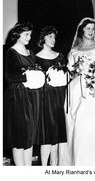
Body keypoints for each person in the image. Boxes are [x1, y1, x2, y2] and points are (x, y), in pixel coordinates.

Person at [60, 17, 95, 165]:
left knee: (89, 121)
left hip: (93, 89)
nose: (91, 31)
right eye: (88, 28)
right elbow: (70, 70)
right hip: (76, 89)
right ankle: (76, 159)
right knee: (75, 122)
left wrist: (94, 77)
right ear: (81, 29)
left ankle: (94, 160)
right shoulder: (74, 50)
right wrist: (76, 71)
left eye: (93, 29)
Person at [3, 22, 45, 165]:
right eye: (27, 34)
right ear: (18, 34)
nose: (29, 37)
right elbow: (9, 77)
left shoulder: (31, 53)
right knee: (19, 136)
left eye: (30, 35)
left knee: (30, 135)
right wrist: (28, 77)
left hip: (33, 96)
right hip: (18, 97)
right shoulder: (11, 52)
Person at [35, 26, 67, 165]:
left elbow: (67, 76)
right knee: (47, 132)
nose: (53, 40)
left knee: (58, 132)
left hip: (59, 96)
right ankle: (44, 166)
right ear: (43, 38)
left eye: (54, 37)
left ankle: (55, 164)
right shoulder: (35, 58)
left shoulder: (60, 56)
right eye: (50, 37)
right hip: (45, 97)